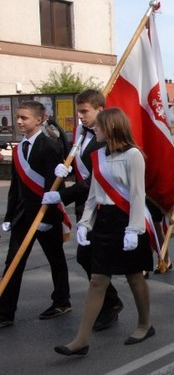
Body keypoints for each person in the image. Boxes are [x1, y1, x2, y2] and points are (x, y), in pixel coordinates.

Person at [55, 108, 154, 356]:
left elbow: (137, 194)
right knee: (97, 280)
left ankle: (145, 325)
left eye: (98, 126)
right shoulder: (98, 155)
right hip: (105, 222)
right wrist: (85, 223)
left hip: (128, 220)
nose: (94, 129)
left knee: (134, 276)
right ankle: (81, 340)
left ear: (110, 127)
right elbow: (93, 194)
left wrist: (134, 229)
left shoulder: (133, 155)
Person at [42, 89, 124, 331]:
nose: (81, 116)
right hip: (83, 205)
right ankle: (110, 301)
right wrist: (65, 168)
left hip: (101, 204)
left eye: (85, 111)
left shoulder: (109, 137)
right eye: (79, 111)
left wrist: (62, 195)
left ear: (100, 110)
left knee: (94, 257)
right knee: (86, 256)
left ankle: (110, 305)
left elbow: (97, 179)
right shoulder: (80, 132)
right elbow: (75, 159)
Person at [0, 100, 70, 329]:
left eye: (24, 118)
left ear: (39, 120)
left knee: (55, 259)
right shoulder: (18, 149)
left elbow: (54, 185)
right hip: (23, 216)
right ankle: (5, 312)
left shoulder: (50, 146)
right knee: (13, 262)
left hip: (45, 214)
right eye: (18, 117)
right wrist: (9, 216)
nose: (19, 121)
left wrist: (48, 219)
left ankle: (62, 301)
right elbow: (16, 186)